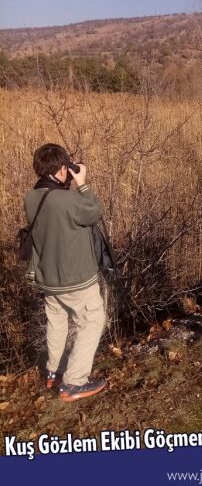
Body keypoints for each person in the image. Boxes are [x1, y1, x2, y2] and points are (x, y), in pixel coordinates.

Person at [24, 143, 106, 401]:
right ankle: (73, 383)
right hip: (77, 279)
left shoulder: (31, 198)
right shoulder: (69, 200)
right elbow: (94, 213)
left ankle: (53, 372)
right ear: (61, 170)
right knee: (92, 321)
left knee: (57, 324)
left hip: (49, 279)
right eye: (66, 168)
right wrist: (82, 184)